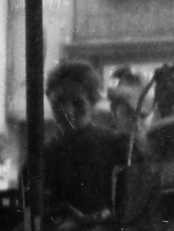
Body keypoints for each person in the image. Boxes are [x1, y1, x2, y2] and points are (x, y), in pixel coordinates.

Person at [42, 60, 130, 220]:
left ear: (92, 103)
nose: (67, 111)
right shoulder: (45, 156)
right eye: (59, 102)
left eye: (77, 103)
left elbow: (129, 207)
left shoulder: (118, 146)